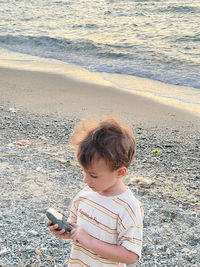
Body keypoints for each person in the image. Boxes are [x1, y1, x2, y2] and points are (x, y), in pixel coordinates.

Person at [47, 117, 143, 266]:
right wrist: (63, 231)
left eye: (93, 175)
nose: (85, 180)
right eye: (84, 172)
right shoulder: (85, 195)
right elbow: (76, 233)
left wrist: (90, 241)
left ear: (120, 172)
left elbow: (131, 256)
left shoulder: (128, 207)